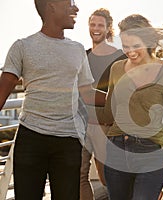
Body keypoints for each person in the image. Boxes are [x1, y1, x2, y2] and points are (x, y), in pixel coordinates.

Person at [0, 0, 106, 199]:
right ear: (52, 6)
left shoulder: (77, 50)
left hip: (68, 141)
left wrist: (125, 99)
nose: (76, 8)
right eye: (70, 3)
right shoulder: (22, 46)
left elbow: (87, 93)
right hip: (31, 139)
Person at [88, 14, 163, 200]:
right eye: (125, 46)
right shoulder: (116, 68)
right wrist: (75, 104)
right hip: (116, 150)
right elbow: (108, 112)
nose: (130, 52)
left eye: (135, 46)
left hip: (151, 152)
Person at [80, 8, 127, 200]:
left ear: (108, 29)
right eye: (92, 24)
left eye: (100, 25)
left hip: (106, 128)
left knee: (110, 178)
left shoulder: (121, 57)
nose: (96, 28)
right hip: (80, 126)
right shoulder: (81, 56)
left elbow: (124, 95)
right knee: (80, 177)